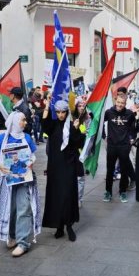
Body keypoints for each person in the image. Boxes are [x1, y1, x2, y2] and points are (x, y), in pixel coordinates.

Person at [0, 112, 41, 257]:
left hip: (25, 179)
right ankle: (12, 236)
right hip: (7, 179)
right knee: (10, 208)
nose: (25, 122)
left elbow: (33, 155)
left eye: (25, 120)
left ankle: (23, 242)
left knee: (24, 208)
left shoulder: (26, 137)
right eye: (23, 120)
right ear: (13, 122)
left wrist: (31, 162)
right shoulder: (2, 138)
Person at [42, 100, 85, 241]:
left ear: (67, 112)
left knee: (68, 195)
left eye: (63, 112)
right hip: (55, 166)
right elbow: (44, 124)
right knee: (56, 195)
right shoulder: (53, 125)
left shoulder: (71, 125)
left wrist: (77, 129)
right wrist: (47, 107)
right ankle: (59, 226)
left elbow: (79, 143)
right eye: (58, 112)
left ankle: (69, 225)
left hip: (69, 165)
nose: (61, 115)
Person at [103, 94, 137, 203]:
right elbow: (98, 123)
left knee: (124, 170)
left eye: (122, 103)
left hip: (124, 146)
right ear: (115, 101)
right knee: (110, 170)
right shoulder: (109, 112)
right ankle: (108, 192)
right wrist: (104, 136)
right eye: (118, 102)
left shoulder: (129, 114)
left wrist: (132, 138)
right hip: (112, 145)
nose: (120, 105)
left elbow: (133, 128)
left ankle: (123, 192)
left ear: (125, 104)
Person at [73, 99, 90, 206]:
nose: (81, 107)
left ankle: (79, 198)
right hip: (73, 151)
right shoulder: (71, 119)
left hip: (83, 151)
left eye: (83, 105)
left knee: (80, 177)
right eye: (79, 105)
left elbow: (90, 135)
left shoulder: (88, 119)